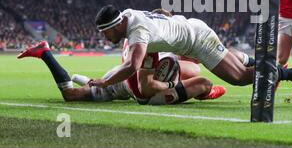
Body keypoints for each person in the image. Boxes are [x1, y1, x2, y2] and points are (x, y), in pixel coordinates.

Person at [90, 5, 292, 102]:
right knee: (233, 61)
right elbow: (156, 13)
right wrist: (165, 17)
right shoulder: (128, 14)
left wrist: (104, 81)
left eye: (106, 32)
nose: (106, 38)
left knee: (240, 77)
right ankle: (278, 70)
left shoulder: (137, 32)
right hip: (189, 33)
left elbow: (131, 66)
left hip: (197, 40)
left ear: (116, 26)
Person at [17, 40, 226, 104]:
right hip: (129, 87)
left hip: (120, 80)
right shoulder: (151, 46)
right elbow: (146, 86)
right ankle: (45, 52)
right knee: (202, 81)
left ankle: (88, 80)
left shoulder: (142, 38)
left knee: (195, 75)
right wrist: (172, 85)